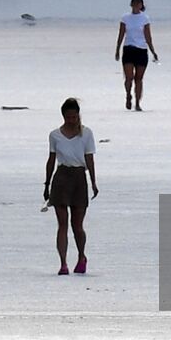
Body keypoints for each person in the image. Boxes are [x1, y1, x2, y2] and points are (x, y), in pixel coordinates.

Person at [44, 98, 98, 275]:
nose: (72, 120)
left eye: (74, 117)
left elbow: (89, 158)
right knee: (62, 224)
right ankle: (63, 263)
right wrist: (47, 183)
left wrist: (93, 182)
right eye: (68, 117)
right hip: (61, 178)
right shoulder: (55, 135)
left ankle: (82, 256)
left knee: (77, 224)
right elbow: (51, 160)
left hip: (79, 178)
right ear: (63, 116)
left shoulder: (86, 134)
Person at [115, 0, 159, 111]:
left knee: (139, 79)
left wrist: (153, 51)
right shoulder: (125, 18)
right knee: (129, 77)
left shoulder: (145, 18)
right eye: (134, 3)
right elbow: (121, 34)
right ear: (131, 4)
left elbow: (148, 36)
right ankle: (128, 95)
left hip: (141, 50)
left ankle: (138, 103)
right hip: (129, 49)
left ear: (141, 5)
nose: (136, 6)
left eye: (138, 4)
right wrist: (117, 49)